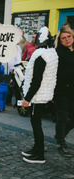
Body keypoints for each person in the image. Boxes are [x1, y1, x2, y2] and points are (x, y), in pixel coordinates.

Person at [21, 26, 58, 164]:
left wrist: (27, 98)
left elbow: (36, 81)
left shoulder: (41, 55)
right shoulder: (51, 53)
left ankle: (39, 154)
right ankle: (36, 149)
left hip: (38, 96)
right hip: (43, 94)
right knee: (36, 123)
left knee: (36, 124)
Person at [53, 26, 74, 158]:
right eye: (63, 38)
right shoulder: (58, 52)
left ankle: (60, 135)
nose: (66, 40)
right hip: (62, 90)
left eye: (69, 37)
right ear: (59, 41)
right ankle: (61, 142)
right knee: (63, 117)